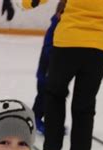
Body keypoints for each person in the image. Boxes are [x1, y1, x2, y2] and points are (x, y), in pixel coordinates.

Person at [27, 0, 103, 150]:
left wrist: (25, 3)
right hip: (97, 49)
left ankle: (52, 148)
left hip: (67, 43)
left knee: (55, 94)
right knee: (84, 107)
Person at [31, 0, 66, 135]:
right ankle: (35, 119)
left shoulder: (64, 27)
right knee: (43, 97)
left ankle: (52, 123)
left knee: (54, 98)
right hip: (45, 72)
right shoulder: (54, 28)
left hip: (55, 73)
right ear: (58, 14)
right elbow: (47, 48)